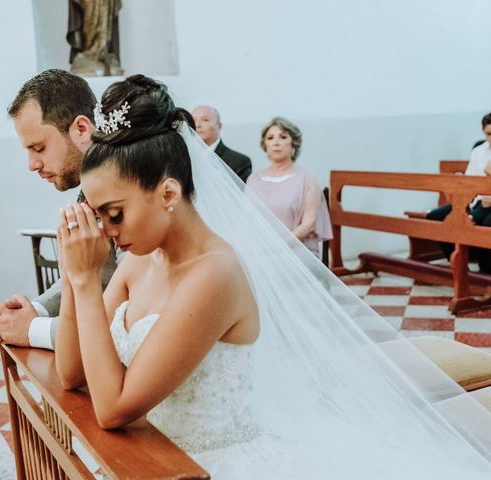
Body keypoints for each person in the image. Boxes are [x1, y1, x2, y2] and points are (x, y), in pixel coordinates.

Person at [55, 75, 491, 478]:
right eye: (98, 216)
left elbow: (113, 409)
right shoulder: (137, 262)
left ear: (168, 192)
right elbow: (71, 371)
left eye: (114, 214)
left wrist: (84, 282)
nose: (106, 232)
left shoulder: (214, 274)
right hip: (153, 457)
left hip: (210, 464)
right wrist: (75, 275)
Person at [0, 69, 117, 349]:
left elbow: (126, 307)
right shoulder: (91, 187)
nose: (32, 164)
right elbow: (91, 277)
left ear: (82, 129)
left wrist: (32, 330)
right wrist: (32, 311)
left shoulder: (129, 191)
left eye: (39, 148)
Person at [245, 117, 332, 256]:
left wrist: (278, 247)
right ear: (265, 145)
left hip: (295, 251)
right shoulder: (253, 180)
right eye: (270, 138)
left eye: (283, 137)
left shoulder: (307, 179)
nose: (276, 142)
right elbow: (247, 220)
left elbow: (309, 225)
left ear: (293, 144)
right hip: (259, 250)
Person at [426, 112, 491, 273]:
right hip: (475, 201)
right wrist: (460, 180)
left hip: (488, 204)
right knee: (435, 217)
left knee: (482, 223)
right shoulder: (479, 151)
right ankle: (459, 267)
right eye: (489, 134)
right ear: (483, 131)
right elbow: (470, 179)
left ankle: (486, 271)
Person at [191, 105, 252, 182]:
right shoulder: (182, 157)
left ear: (219, 126)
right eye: (193, 120)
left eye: (205, 120)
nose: (197, 125)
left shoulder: (239, 161)